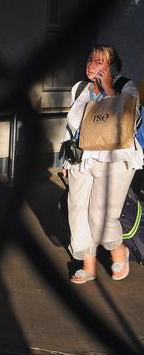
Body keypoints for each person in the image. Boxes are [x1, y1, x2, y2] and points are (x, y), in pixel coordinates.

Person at [62, 44, 142, 284]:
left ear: (111, 67)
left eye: (98, 61)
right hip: (81, 159)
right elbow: (70, 127)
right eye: (89, 60)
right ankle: (88, 266)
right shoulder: (79, 89)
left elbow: (130, 117)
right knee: (77, 212)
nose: (90, 65)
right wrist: (65, 158)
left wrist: (108, 88)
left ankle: (118, 250)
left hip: (115, 159)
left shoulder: (125, 86)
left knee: (101, 214)